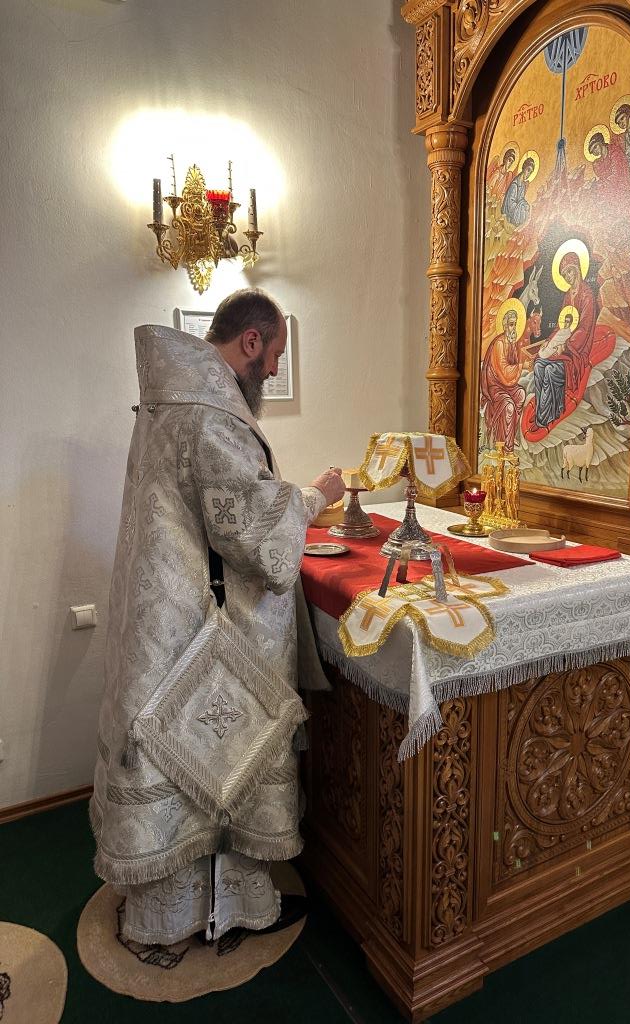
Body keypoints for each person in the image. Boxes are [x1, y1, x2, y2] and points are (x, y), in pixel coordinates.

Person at [90, 288, 346, 946]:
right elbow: (255, 536)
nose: (274, 370)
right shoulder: (209, 413)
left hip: (163, 617)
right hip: (201, 624)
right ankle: (227, 909)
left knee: (184, 762)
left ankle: (176, 910)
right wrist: (316, 495)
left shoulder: (171, 398)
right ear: (250, 341)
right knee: (218, 764)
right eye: (274, 355)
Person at [533, 252, 597, 429]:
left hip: (578, 349)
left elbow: (584, 328)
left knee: (551, 369)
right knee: (538, 364)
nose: (568, 277)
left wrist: (566, 346)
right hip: (564, 343)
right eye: (564, 274)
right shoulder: (568, 296)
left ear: (577, 269)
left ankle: (548, 415)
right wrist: (549, 340)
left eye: (569, 271)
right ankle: (542, 411)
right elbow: (561, 324)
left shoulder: (587, 295)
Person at [480, 308, 527, 449]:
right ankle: (504, 443)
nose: (513, 327)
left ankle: (510, 435)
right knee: (508, 405)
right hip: (495, 385)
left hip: (507, 385)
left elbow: (511, 367)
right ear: (505, 325)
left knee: (521, 394)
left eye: (515, 324)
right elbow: (504, 371)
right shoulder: (499, 344)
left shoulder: (511, 342)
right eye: (511, 324)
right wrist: (522, 366)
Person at [501, 156, 536, 226]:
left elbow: (521, 199)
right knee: (523, 210)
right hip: (508, 211)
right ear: (524, 168)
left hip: (515, 209)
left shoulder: (522, 185)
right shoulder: (515, 184)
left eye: (530, 172)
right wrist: (520, 206)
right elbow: (510, 203)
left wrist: (525, 204)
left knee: (525, 209)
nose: (529, 174)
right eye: (528, 170)